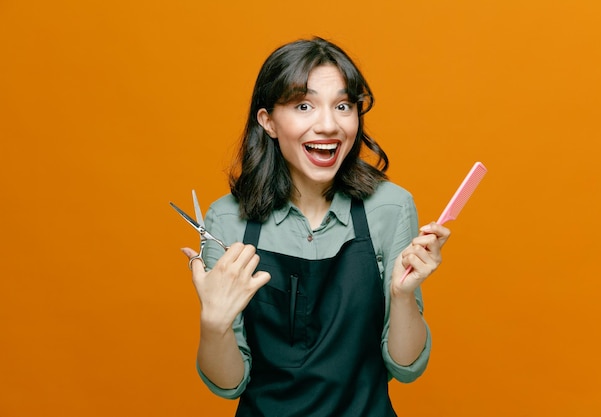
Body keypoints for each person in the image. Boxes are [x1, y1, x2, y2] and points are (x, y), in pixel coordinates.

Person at [181, 37, 450, 417]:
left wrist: (404, 295)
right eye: (303, 106)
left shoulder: (390, 207)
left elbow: (405, 367)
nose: (328, 125)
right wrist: (214, 322)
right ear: (268, 122)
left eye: (343, 106)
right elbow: (228, 384)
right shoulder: (227, 219)